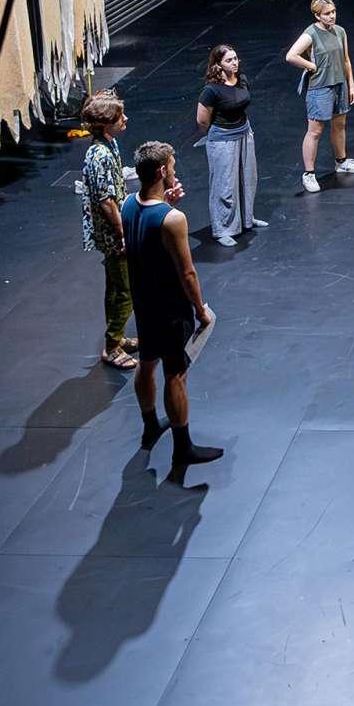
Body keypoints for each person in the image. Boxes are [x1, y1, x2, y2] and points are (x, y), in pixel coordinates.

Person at [122, 141, 223, 473]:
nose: (176, 171)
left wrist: (166, 203)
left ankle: (150, 425)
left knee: (146, 362)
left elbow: (144, 240)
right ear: (162, 171)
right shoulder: (173, 219)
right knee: (175, 374)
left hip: (144, 301)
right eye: (173, 166)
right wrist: (200, 309)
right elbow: (187, 272)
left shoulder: (127, 205)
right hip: (169, 307)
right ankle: (183, 448)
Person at [78, 90, 135, 370]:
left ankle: (117, 335)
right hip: (114, 233)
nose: (125, 119)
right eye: (119, 116)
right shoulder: (99, 154)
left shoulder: (108, 145)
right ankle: (112, 346)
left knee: (116, 285)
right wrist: (123, 231)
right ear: (105, 123)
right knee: (125, 288)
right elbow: (106, 201)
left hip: (115, 229)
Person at [284, 0, 354, 192]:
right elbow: (291, 56)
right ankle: (309, 174)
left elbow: (346, 60)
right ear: (317, 16)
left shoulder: (340, 31)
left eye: (333, 12)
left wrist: (351, 85)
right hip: (320, 87)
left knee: (339, 125)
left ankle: (341, 161)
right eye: (327, 14)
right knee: (315, 130)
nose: (332, 16)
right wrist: (311, 65)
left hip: (340, 84)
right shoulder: (310, 34)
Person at [196, 44, 264, 247]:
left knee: (247, 179)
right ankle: (223, 229)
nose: (234, 63)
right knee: (224, 185)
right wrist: (217, 134)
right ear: (218, 64)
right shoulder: (211, 90)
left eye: (235, 59)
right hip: (223, 139)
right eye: (229, 60)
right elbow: (202, 121)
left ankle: (246, 219)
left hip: (244, 133)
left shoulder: (241, 79)